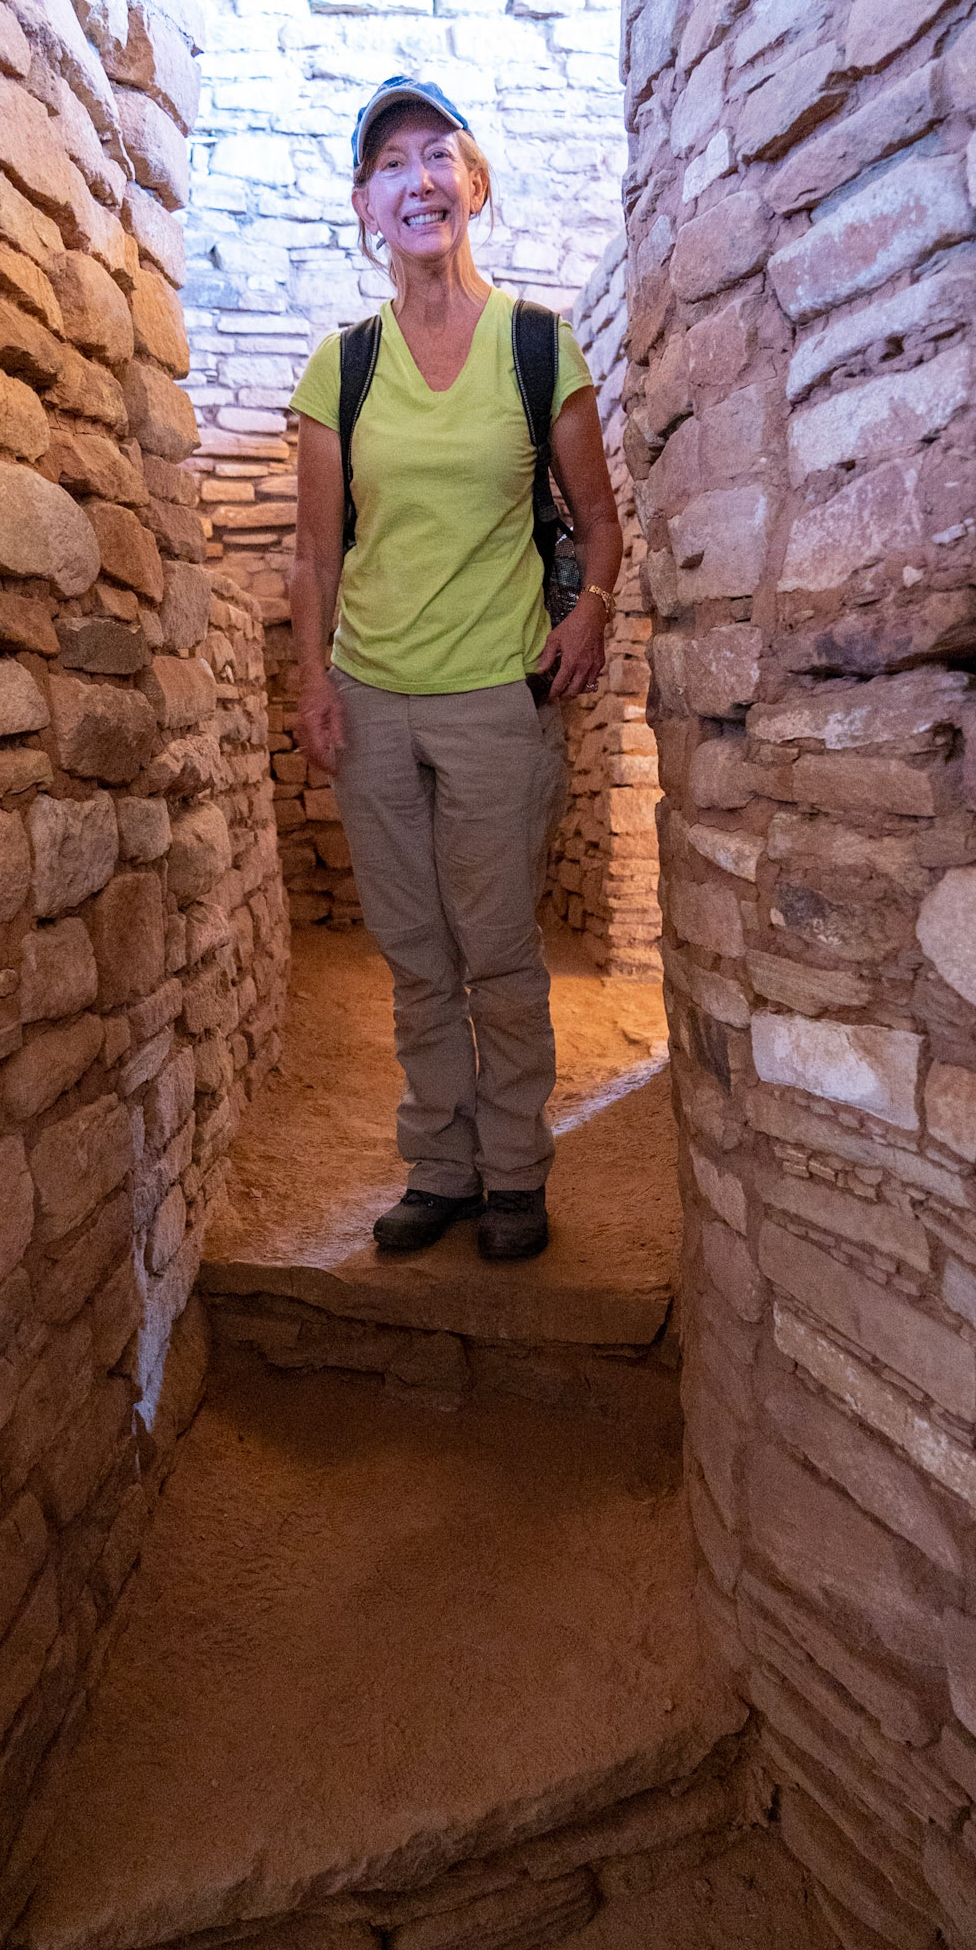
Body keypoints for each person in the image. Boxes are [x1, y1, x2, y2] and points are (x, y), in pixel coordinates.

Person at [288, 75, 623, 1262]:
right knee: (413, 946)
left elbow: (597, 517)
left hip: (494, 692)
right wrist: (313, 681)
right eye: (391, 165)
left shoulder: (539, 345)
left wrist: (582, 618)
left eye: (439, 156)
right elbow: (316, 547)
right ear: (366, 206)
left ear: (473, 185)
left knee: (496, 942)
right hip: (372, 696)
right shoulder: (343, 364)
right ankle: (441, 1162)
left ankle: (515, 1170)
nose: (418, 179)